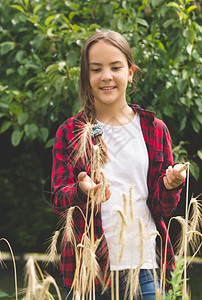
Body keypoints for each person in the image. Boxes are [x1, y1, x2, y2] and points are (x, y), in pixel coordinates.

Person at [50, 30, 186, 299]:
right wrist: (82, 192)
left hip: (146, 266)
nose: (106, 76)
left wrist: (170, 185)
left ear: (131, 72)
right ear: (86, 77)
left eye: (115, 67)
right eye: (96, 69)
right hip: (89, 269)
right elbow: (57, 199)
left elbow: (161, 208)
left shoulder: (155, 130)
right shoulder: (70, 132)